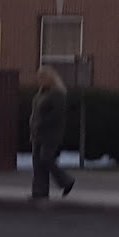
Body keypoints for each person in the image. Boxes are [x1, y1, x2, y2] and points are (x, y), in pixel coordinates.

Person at [29, 65, 75, 199]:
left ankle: (66, 181)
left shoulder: (57, 94)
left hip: (50, 134)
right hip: (37, 132)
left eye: (41, 78)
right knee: (37, 162)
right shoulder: (40, 93)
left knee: (46, 158)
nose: (38, 80)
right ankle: (39, 191)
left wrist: (42, 123)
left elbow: (56, 115)